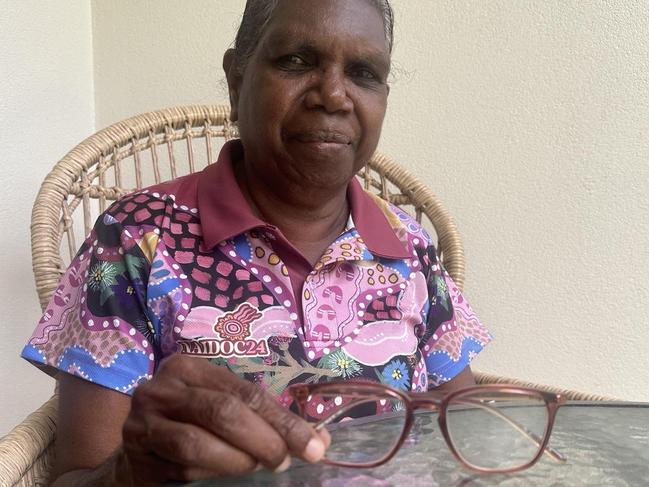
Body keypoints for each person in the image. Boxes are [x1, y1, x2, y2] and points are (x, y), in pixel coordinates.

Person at [22, 0, 492, 484]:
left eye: (363, 72)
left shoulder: (408, 247)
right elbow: (74, 475)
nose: (333, 94)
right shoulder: (136, 238)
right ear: (236, 80)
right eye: (296, 60)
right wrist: (131, 472)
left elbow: (464, 439)